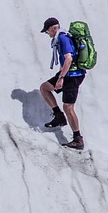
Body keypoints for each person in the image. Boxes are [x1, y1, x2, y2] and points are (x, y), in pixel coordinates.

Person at [39, 17, 85, 150]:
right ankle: (59, 117)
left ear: (54, 28)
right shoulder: (60, 38)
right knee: (45, 88)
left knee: (68, 107)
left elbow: (69, 59)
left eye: (47, 31)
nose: (47, 34)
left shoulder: (63, 38)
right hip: (67, 74)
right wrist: (60, 75)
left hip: (73, 76)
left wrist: (61, 78)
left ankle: (78, 139)